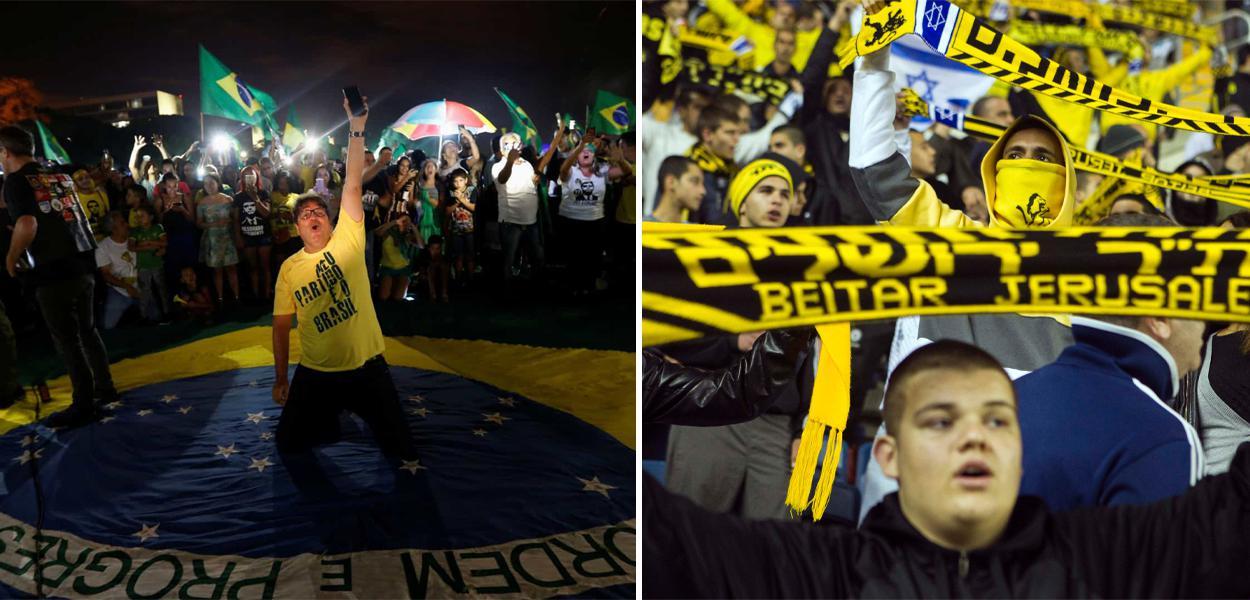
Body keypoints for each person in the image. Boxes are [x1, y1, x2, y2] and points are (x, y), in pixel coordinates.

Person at [644, 339, 1250, 598]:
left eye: (997, 421)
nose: (974, 439)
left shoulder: (1105, 558)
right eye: (940, 422)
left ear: (1020, 445)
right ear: (889, 454)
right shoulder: (818, 575)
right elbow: (662, 536)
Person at [849, 34, 1078, 520]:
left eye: (1043, 158)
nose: (1027, 166)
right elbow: (874, 167)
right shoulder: (951, 238)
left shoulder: (1091, 280)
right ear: (992, 172)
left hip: (1033, 486)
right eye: (1013, 156)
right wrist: (874, 56)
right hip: (920, 468)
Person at [272, 96, 415, 460]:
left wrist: (357, 126)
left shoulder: (348, 238)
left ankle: (336, 417)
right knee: (287, 443)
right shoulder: (289, 268)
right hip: (316, 373)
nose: (313, 216)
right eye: (304, 214)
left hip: (367, 368)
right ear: (297, 228)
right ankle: (328, 416)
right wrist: (281, 377)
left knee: (403, 451)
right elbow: (280, 326)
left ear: (331, 219)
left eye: (319, 210)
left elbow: (352, 184)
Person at [664, 159, 804, 520]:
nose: (777, 201)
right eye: (766, 191)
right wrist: (733, 341)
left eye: (785, 194)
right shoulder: (705, 257)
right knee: (691, 536)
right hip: (711, 413)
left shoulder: (800, 269)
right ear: (742, 202)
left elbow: (810, 357)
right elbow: (672, 338)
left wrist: (806, 426)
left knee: (776, 546)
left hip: (776, 425)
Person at [3, 125, 119, 427]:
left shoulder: (15, 182)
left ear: (5, 152)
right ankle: (105, 389)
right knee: (88, 331)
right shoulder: (58, 175)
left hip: (53, 273)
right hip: (83, 264)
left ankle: (83, 404)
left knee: (68, 341)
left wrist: (11, 257)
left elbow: (28, 224)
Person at [493, 132, 544, 283]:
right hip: (511, 220)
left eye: (517, 143)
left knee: (537, 255)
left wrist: (535, 181)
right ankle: (508, 291)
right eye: (509, 145)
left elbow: (530, 185)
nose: (514, 147)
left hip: (531, 220)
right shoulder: (498, 165)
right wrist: (509, 161)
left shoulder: (526, 164)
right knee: (509, 257)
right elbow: (502, 179)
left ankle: (535, 287)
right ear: (502, 150)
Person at [687, 104, 743, 224]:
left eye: (738, 133)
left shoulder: (735, 172)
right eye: (730, 132)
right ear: (707, 135)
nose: (737, 139)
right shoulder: (684, 169)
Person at [196, 173, 241, 306]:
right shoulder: (202, 202)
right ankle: (220, 299)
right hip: (212, 239)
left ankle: (237, 296)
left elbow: (236, 218)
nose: (209, 186)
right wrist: (213, 224)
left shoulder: (228, 199)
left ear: (218, 183)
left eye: (211, 182)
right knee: (217, 270)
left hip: (228, 237)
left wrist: (230, 221)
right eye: (205, 184)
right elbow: (198, 223)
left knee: (231, 268)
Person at [95, 211, 140, 329]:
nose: (127, 225)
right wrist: (127, 287)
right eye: (122, 223)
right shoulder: (103, 247)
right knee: (108, 326)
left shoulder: (134, 238)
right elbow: (106, 275)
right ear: (114, 229)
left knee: (157, 317)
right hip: (119, 290)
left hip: (141, 286)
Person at [234, 165, 273, 302]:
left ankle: (267, 293)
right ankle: (256, 294)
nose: (249, 178)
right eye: (246, 176)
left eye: (252, 175)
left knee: (265, 265)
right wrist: (238, 237)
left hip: (263, 235)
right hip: (248, 236)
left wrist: (255, 198)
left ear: (257, 177)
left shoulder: (263, 194)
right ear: (242, 179)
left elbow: (266, 213)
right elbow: (236, 219)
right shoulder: (238, 197)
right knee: (252, 267)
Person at [130, 203, 170, 323]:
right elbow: (132, 247)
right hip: (143, 266)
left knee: (162, 289)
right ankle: (143, 316)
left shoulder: (158, 227)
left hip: (157, 264)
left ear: (151, 217)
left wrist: (146, 244)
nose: (139, 218)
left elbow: (165, 243)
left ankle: (167, 313)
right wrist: (154, 244)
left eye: (142, 216)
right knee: (145, 291)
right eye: (137, 216)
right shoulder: (135, 231)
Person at [375, 210, 422, 302]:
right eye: (403, 221)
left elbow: (421, 245)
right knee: (384, 297)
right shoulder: (388, 233)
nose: (405, 224)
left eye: (407, 222)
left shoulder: (408, 237)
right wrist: (394, 222)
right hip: (387, 268)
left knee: (398, 298)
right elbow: (377, 232)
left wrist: (413, 227)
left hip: (403, 269)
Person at [444, 168, 477, 285]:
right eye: (455, 181)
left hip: (470, 230)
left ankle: (471, 279)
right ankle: (458, 280)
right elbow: (447, 211)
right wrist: (457, 202)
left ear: (466, 180)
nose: (458, 183)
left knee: (470, 256)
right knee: (458, 256)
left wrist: (463, 199)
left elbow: (474, 208)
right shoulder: (451, 192)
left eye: (461, 180)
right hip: (456, 230)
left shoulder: (472, 190)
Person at [648, 155, 705, 223]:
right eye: (695, 181)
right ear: (671, 182)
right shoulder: (644, 230)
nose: (703, 191)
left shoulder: (694, 231)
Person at [73, 168, 111, 242]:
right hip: (86, 242)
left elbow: (107, 214)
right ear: (75, 183)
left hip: (105, 240)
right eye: (80, 179)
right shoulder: (74, 198)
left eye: (87, 177)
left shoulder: (102, 194)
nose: (85, 180)